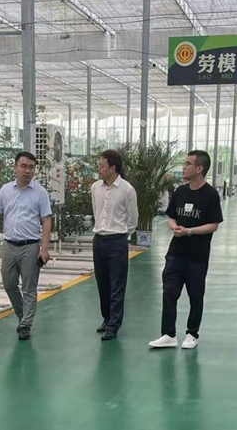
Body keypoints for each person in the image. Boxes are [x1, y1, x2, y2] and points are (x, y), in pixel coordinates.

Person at [0, 151, 53, 340]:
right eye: (24, 166)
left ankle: (26, 324)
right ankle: (22, 316)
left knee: (29, 288)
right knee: (9, 284)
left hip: (30, 246)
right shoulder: (6, 190)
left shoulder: (40, 193)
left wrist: (44, 248)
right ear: (15, 168)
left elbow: (46, 220)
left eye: (31, 167)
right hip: (9, 245)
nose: (27, 171)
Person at [149, 150, 223, 350]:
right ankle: (168, 334)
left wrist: (189, 231)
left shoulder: (210, 195)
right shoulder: (180, 191)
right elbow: (171, 216)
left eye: (188, 164)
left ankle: (192, 333)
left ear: (199, 169)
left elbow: (214, 225)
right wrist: (174, 227)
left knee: (195, 295)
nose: (184, 167)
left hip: (197, 256)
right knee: (169, 291)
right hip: (176, 253)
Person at [91, 149, 138, 341]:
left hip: (117, 241)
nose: (99, 169)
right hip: (98, 240)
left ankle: (114, 324)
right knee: (102, 282)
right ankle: (107, 318)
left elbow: (133, 219)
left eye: (102, 166)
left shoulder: (127, 189)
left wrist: (121, 235)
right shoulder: (95, 188)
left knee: (117, 284)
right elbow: (96, 211)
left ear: (113, 167)